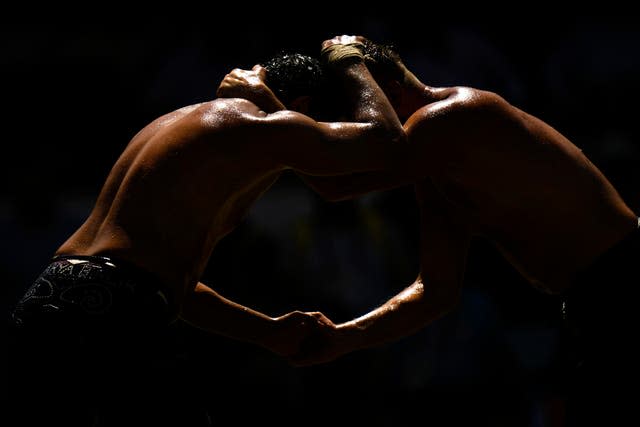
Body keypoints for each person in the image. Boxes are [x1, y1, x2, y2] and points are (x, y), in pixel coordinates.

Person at [5, 35, 406, 427]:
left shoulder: (176, 125)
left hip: (55, 292)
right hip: (119, 306)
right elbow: (387, 141)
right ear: (300, 108)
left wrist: (268, 332)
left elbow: (169, 287)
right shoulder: (262, 126)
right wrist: (347, 58)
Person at [275, 38, 637, 425]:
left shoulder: (453, 115)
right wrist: (345, 338)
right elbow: (436, 290)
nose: (358, 132)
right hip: (593, 303)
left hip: (623, 284)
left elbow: (338, 184)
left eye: (360, 118)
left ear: (390, 95)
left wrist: (275, 116)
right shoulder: (438, 169)